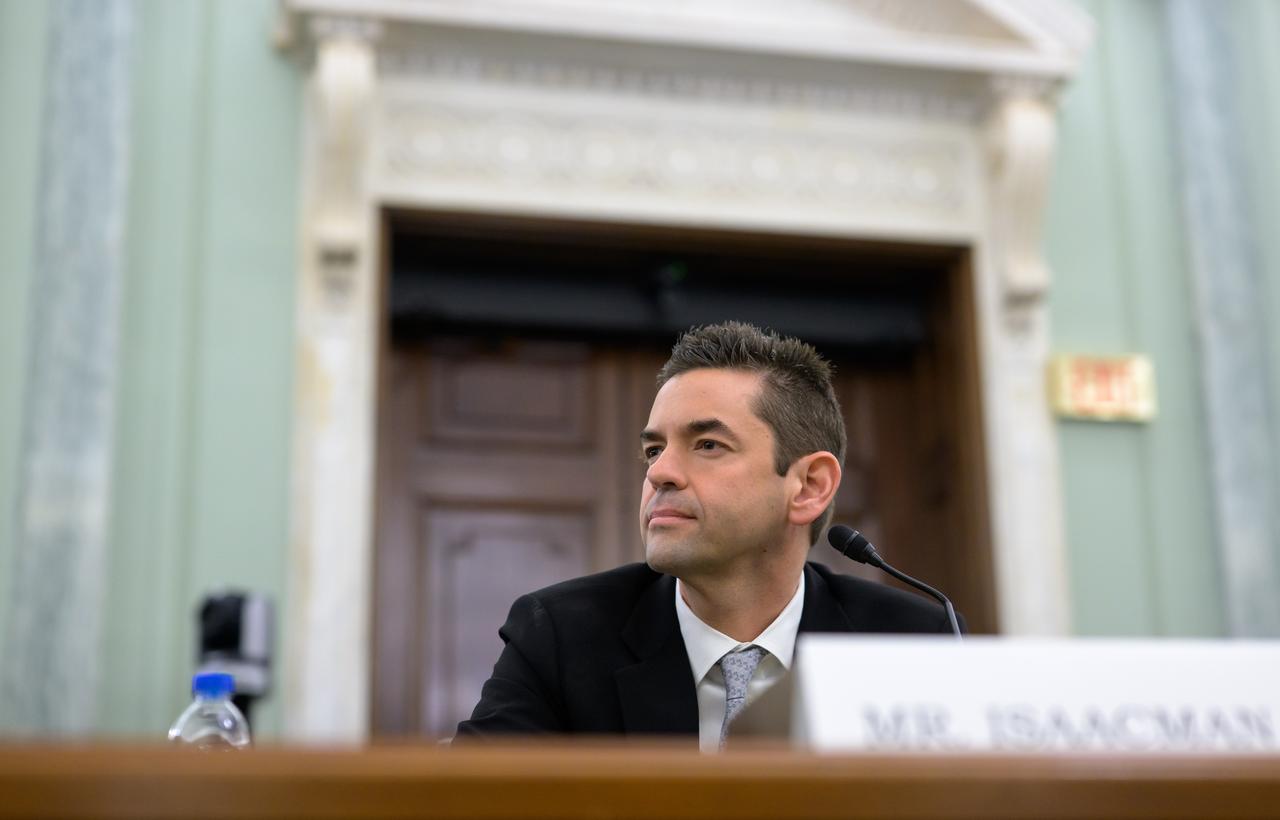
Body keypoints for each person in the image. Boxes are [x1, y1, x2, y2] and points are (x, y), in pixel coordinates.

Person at [455, 321, 957, 750]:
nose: (660, 473)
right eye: (654, 450)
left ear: (808, 486)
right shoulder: (559, 636)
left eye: (708, 444)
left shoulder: (910, 645)